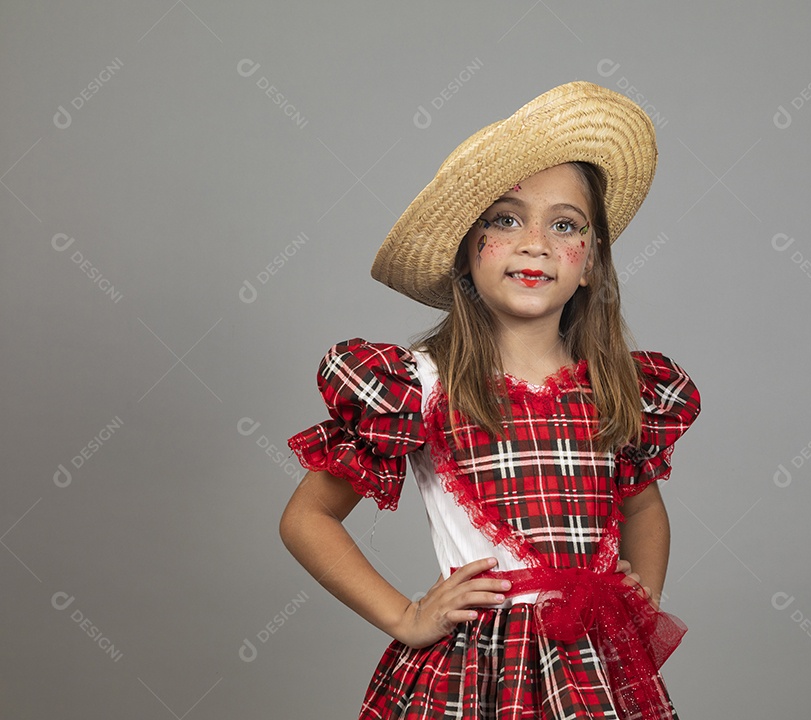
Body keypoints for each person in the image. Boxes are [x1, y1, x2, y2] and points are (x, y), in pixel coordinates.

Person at [279, 81, 702, 720]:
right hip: (479, 669)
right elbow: (307, 518)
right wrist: (406, 616)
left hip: (591, 669)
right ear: (466, 251)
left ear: (590, 262)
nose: (536, 243)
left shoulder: (616, 389)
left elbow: (644, 508)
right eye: (506, 220)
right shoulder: (420, 385)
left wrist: (638, 600)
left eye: (565, 225)